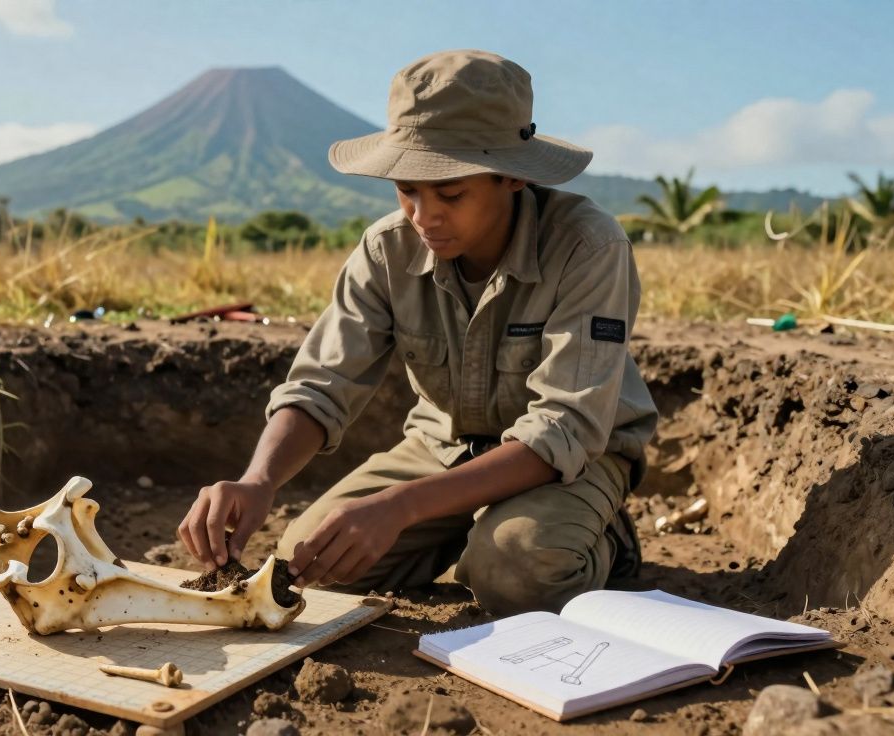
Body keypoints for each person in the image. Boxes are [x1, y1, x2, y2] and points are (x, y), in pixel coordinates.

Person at [177, 49, 658, 616]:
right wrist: (258, 480)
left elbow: (564, 429)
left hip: (571, 459)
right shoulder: (385, 251)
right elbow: (321, 386)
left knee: (515, 573)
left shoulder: (588, 247)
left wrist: (401, 508)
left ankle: (601, 537)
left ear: (510, 176)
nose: (423, 216)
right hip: (443, 448)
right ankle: (469, 528)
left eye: (450, 194)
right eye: (407, 190)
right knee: (312, 563)